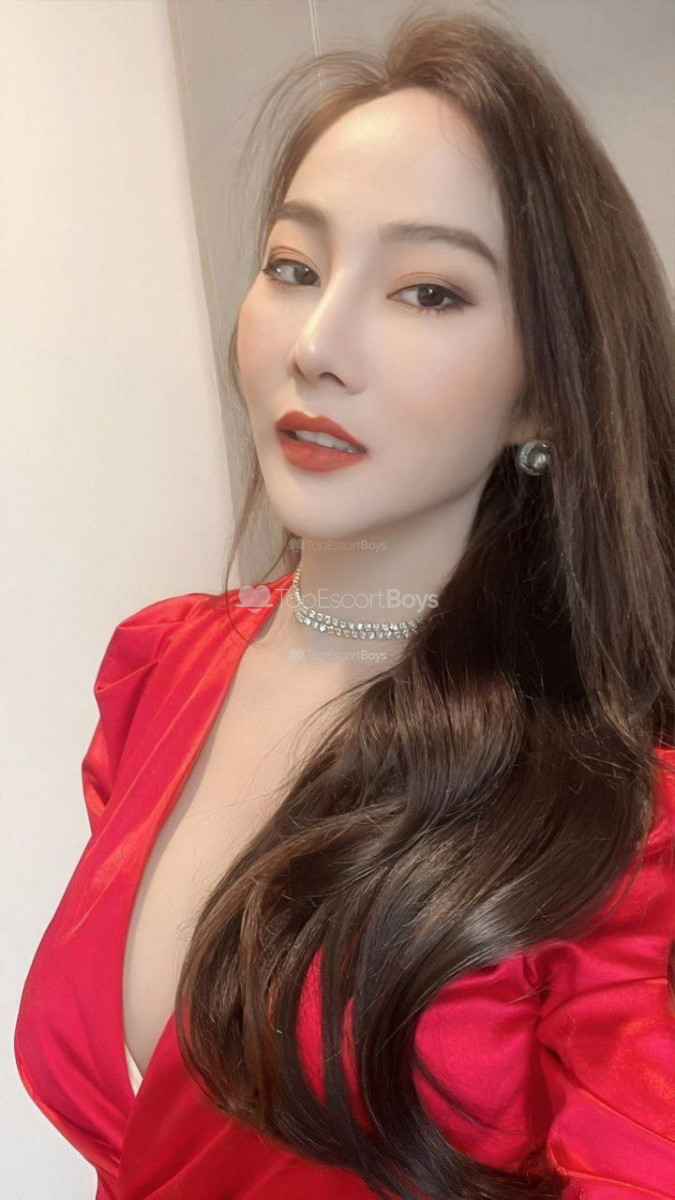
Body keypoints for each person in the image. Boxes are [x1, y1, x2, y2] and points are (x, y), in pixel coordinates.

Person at [14, 9, 675, 1200]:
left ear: (544, 395)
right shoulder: (159, 670)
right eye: (293, 268)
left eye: (426, 291)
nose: (316, 344)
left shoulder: (621, 813)